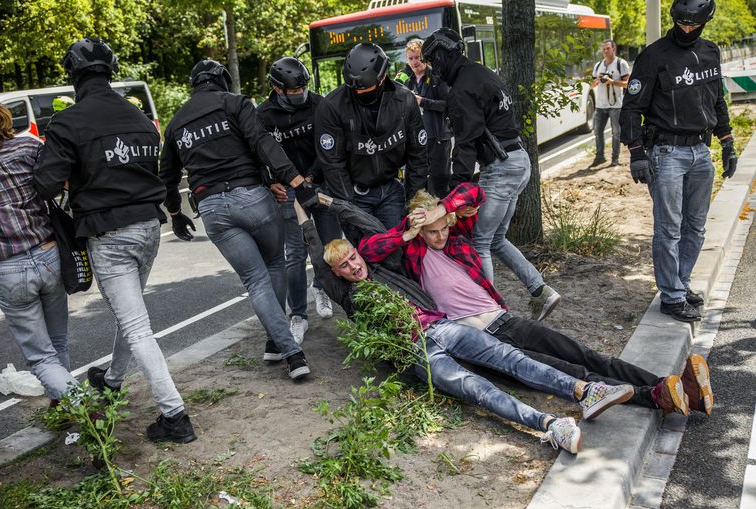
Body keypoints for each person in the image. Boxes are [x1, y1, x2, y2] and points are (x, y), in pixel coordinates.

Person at [297, 196, 635, 455]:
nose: (353, 266)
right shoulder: (348, 294)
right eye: (344, 265)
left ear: (359, 254)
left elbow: (367, 223)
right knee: (476, 389)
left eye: (353, 257)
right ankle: (549, 425)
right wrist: (301, 214)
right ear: (337, 273)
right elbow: (315, 254)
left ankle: (586, 391)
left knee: (511, 358)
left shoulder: (386, 267)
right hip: (417, 351)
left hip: (444, 327)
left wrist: (326, 201)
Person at [358, 183, 714, 417]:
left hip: (504, 319)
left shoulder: (456, 235)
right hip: (480, 340)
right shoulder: (413, 251)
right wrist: (408, 231)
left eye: (442, 227)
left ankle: (675, 386)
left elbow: (475, 193)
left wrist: (443, 210)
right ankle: (654, 396)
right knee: (573, 371)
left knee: (585, 353)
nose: (438, 236)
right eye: (432, 232)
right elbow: (367, 251)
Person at [33, 38, 195, 443]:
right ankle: (112, 379)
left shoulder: (68, 123)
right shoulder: (140, 118)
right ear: (110, 70)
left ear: (73, 76)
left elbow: (44, 183)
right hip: (148, 228)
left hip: (109, 235)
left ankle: (175, 416)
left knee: (137, 326)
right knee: (132, 316)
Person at [159, 59, 314, 379]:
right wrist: (294, 180)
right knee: (274, 265)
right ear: (223, 80)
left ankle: (279, 345)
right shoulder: (235, 103)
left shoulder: (176, 123)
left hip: (212, 209)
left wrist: (175, 214)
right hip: (252, 198)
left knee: (255, 280)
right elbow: (262, 144)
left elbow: (167, 177)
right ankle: (291, 352)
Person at [421, 28, 560, 321]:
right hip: (518, 161)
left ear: (442, 56)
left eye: (433, 62)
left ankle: (486, 310)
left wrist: (456, 192)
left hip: (499, 167)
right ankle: (540, 291)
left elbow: (466, 143)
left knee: (479, 242)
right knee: (496, 239)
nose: (434, 69)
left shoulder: (462, 88)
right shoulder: (481, 73)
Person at [619, 0, 736, 323]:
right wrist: (637, 153)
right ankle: (671, 297)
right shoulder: (654, 55)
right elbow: (631, 108)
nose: (686, 29)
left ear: (704, 21)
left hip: (701, 151)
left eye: (693, 24)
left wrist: (727, 143)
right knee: (669, 229)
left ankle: (681, 285)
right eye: (682, 23)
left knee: (695, 227)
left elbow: (717, 101)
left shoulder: (711, 52)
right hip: (667, 154)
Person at [0, 96, 78, 406]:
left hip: (6, 267)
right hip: (48, 255)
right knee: (58, 342)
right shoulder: (29, 148)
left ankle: (82, 406)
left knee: (41, 359)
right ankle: (66, 405)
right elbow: (59, 183)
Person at [258, 56, 339, 344]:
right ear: (278, 90)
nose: (300, 95)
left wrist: (312, 177)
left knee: (330, 245)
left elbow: (329, 145)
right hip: (288, 192)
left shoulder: (319, 104)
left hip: (320, 182)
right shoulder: (264, 115)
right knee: (294, 254)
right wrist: (271, 183)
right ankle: (298, 315)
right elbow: (259, 154)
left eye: (303, 88)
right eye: (294, 91)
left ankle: (321, 287)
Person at [315, 42, 429, 231]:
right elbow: (332, 164)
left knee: (398, 252)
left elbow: (418, 155)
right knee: (366, 253)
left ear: (383, 76)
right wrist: (349, 208)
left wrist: (414, 201)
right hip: (355, 194)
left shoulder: (405, 100)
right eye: (356, 89)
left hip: (392, 189)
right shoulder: (332, 107)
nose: (360, 93)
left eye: (366, 89)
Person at [394, 38, 453, 198]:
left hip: (437, 138)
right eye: (410, 58)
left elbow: (447, 105)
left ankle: (443, 217)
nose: (414, 62)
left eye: (417, 57)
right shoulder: (406, 79)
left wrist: (422, 102)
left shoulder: (437, 76)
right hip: (415, 139)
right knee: (416, 185)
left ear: (425, 57)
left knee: (439, 184)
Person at [589, 40, 630, 168]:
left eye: (608, 48)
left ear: (614, 49)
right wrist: (598, 80)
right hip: (600, 105)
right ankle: (600, 157)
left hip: (616, 105)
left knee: (616, 133)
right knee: (597, 132)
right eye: (604, 49)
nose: (605, 51)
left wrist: (612, 81)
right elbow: (592, 85)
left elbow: (627, 83)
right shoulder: (598, 65)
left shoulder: (621, 63)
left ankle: (615, 159)